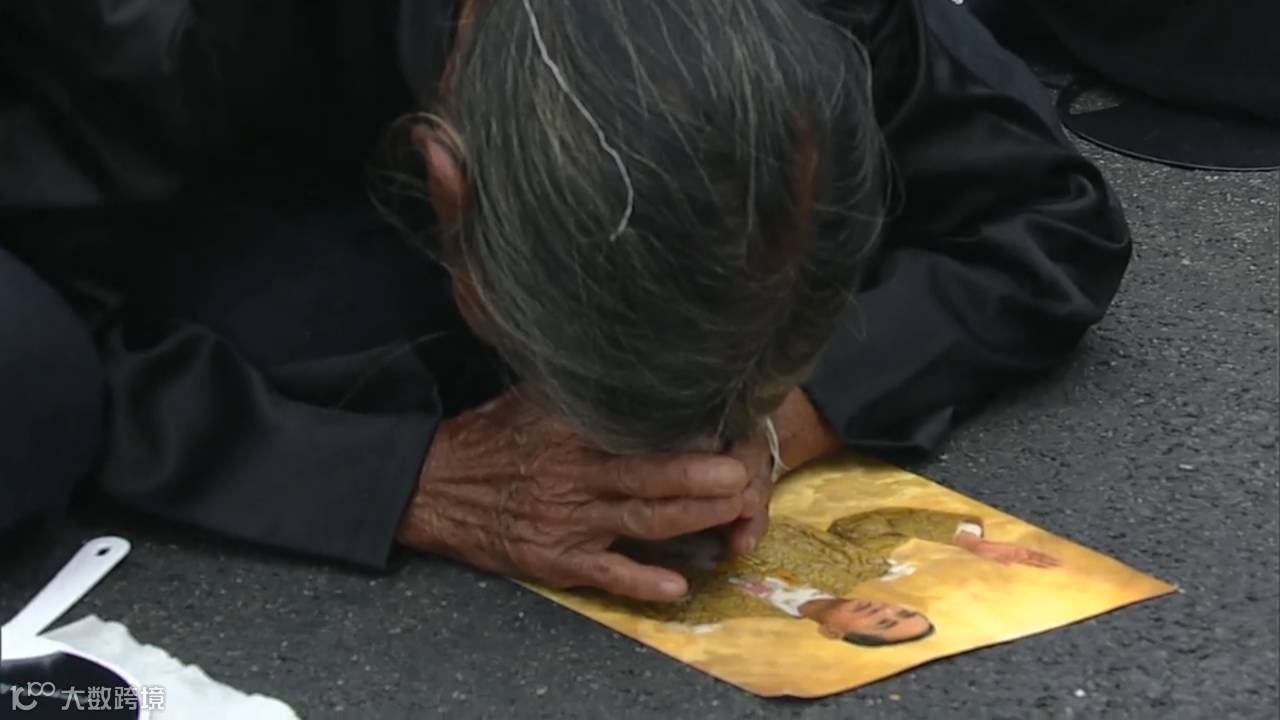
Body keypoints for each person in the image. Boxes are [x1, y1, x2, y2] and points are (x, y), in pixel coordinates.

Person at [0, 0, 1129, 601]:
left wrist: (782, 422)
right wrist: (407, 480)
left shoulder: (826, 16)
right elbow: (58, 284)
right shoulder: (136, 32)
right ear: (443, 186)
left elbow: (1047, 212)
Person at [611, 508, 1057, 645]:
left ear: (833, 633)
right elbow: (879, 523)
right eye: (900, 612)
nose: (883, 610)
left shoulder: (729, 625)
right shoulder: (858, 565)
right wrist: (972, 543)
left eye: (882, 623)